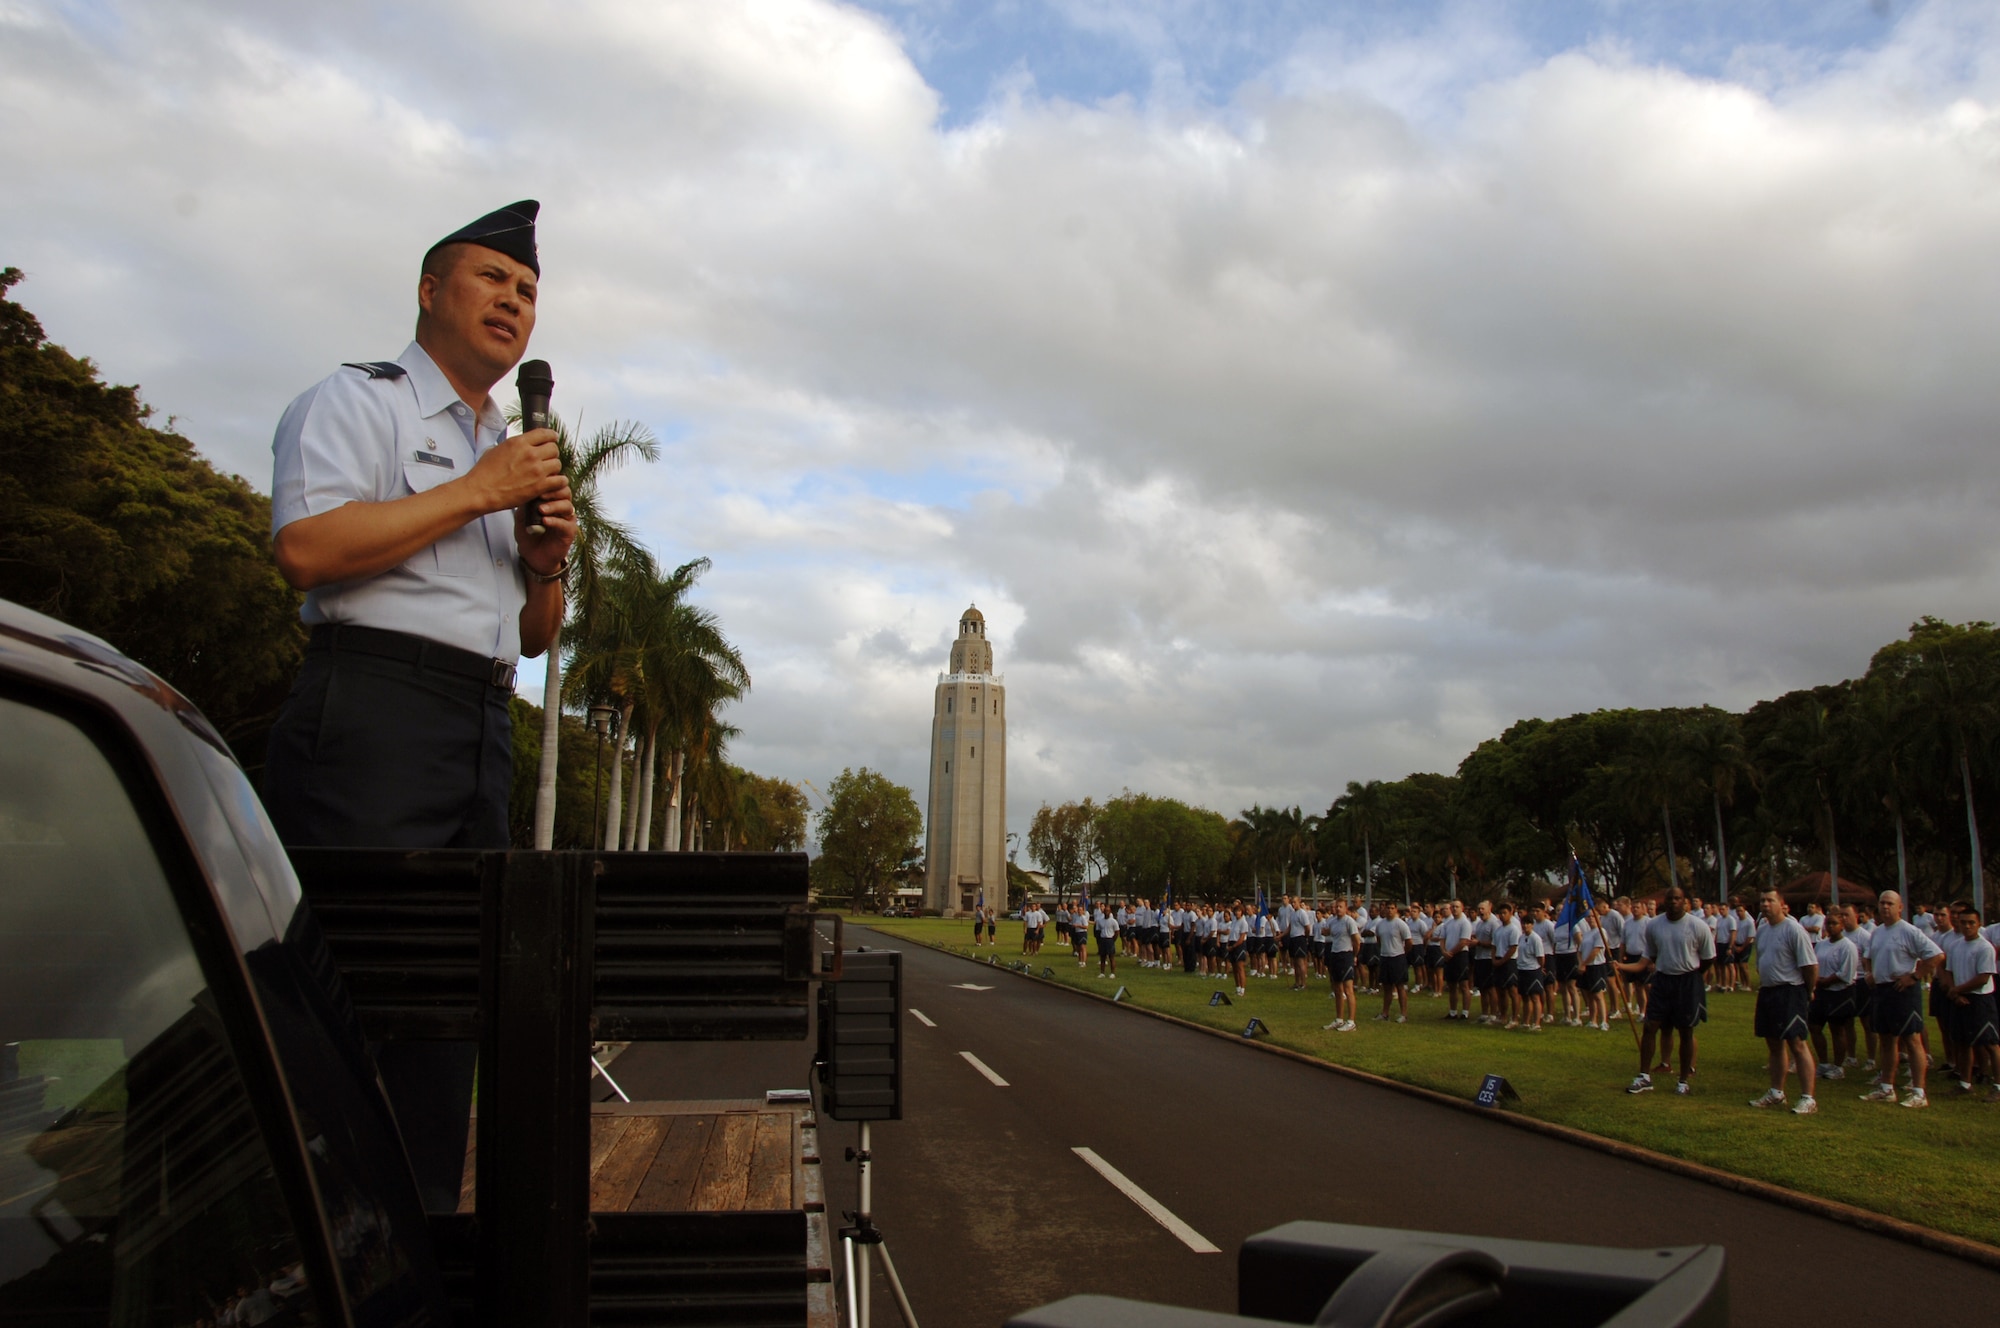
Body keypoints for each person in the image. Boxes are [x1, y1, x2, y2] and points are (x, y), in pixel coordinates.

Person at [263, 201, 574, 1212]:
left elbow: (533, 635)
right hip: (372, 714)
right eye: (494, 280)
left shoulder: (507, 447)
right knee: (345, 995)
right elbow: (308, 550)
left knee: (448, 1004)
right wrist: (479, 492)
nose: (514, 303)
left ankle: (425, 1231)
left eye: (527, 293)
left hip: (480, 724)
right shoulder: (364, 402)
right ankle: (313, 1237)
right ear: (432, 289)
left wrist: (544, 565)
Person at [1619, 886, 1715, 1096]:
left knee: (1686, 1030)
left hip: (1687, 980)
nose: (1673, 902)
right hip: (1663, 979)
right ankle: (1644, 1076)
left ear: (1685, 902)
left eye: (1678, 899)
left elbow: (1708, 958)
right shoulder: (1654, 925)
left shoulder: (1698, 926)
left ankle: (1683, 1080)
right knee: (1651, 1026)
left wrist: (1693, 975)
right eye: (1670, 899)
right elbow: (1650, 955)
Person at [1859, 890, 1943, 1108]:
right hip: (1882, 990)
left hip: (1903, 991)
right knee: (1886, 1040)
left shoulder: (1909, 931)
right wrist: (1869, 973)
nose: (1885, 907)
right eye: (1882, 903)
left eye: (1889, 903)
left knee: (1912, 1040)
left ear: (1900, 907)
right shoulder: (1877, 932)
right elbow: (1867, 956)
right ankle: (1887, 1087)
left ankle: (1918, 1091)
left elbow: (1936, 955)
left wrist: (1914, 976)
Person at [1749, 889, 1818, 1115]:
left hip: (1790, 991)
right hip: (1769, 991)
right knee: (1774, 1044)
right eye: (1762, 901)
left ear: (1781, 904)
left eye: (1770, 900)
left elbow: (1809, 965)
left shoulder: (1793, 929)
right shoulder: (1763, 929)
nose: (1766, 904)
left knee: (1797, 1043)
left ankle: (1808, 1098)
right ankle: (1776, 1093)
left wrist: (1809, 990)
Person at [1941, 903, 2000, 1100]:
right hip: (1959, 999)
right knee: (1962, 1042)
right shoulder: (1956, 946)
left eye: (1971, 923)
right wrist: (1954, 993)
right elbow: (1948, 971)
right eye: (1963, 922)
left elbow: (1983, 977)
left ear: (1979, 924)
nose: (1967, 926)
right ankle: (1965, 1084)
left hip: (1980, 1000)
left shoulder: (1985, 947)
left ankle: (1998, 1086)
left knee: (1990, 1044)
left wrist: (1957, 990)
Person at [1808, 908, 1861, 1078]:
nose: (1830, 927)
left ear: (1842, 925)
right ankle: (1823, 1063)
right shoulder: (1822, 944)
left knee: (1837, 1030)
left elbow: (1844, 974)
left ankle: (1838, 1066)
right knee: (1814, 1026)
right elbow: (1814, 963)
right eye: (1828, 923)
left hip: (1840, 992)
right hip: (1821, 992)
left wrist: (1823, 981)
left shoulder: (1848, 946)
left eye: (1834, 923)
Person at [1321, 899, 1361, 1031]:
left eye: (1340, 907)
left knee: (1348, 989)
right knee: (1337, 989)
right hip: (1335, 954)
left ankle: (1351, 1021)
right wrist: (1324, 931)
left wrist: (1354, 955)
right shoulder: (1333, 922)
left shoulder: (1349, 921)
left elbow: (1356, 940)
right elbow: (1329, 933)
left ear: (1345, 909)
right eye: (1336, 907)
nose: (1338, 909)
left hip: (1346, 954)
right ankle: (1339, 1019)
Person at [1373, 903, 1413, 1023]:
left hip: (1398, 957)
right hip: (1385, 957)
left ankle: (1403, 1014)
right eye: (1388, 908)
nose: (1389, 911)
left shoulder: (1400, 924)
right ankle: (1385, 1013)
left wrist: (1402, 953)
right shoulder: (1380, 924)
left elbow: (1409, 941)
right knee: (1387, 987)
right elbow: (1379, 939)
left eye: (1392, 908)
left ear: (1396, 910)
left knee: (1400, 986)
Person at [1094, 903, 1120, 978]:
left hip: (1110, 939)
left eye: (1108, 911)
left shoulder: (1113, 921)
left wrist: (1112, 940)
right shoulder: (1100, 921)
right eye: (1105, 911)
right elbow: (1098, 931)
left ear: (1110, 912)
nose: (1106, 912)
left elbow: (1117, 932)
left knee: (1111, 957)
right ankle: (1102, 973)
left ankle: (1112, 973)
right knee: (1102, 957)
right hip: (1103, 939)